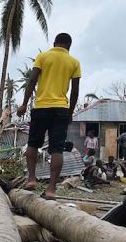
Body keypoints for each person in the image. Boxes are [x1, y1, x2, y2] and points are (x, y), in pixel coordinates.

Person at [17, 32, 81, 200]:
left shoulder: (42, 57)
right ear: (69, 46)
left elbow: (32, 80)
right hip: (60, 109)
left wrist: (24, 104)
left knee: (33, 144)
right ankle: (51, 189)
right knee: (57, 149)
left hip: (41, 108)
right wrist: (70, 112)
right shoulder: (74, 62)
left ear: (54, 43)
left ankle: (31, 179)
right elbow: (75, 91)